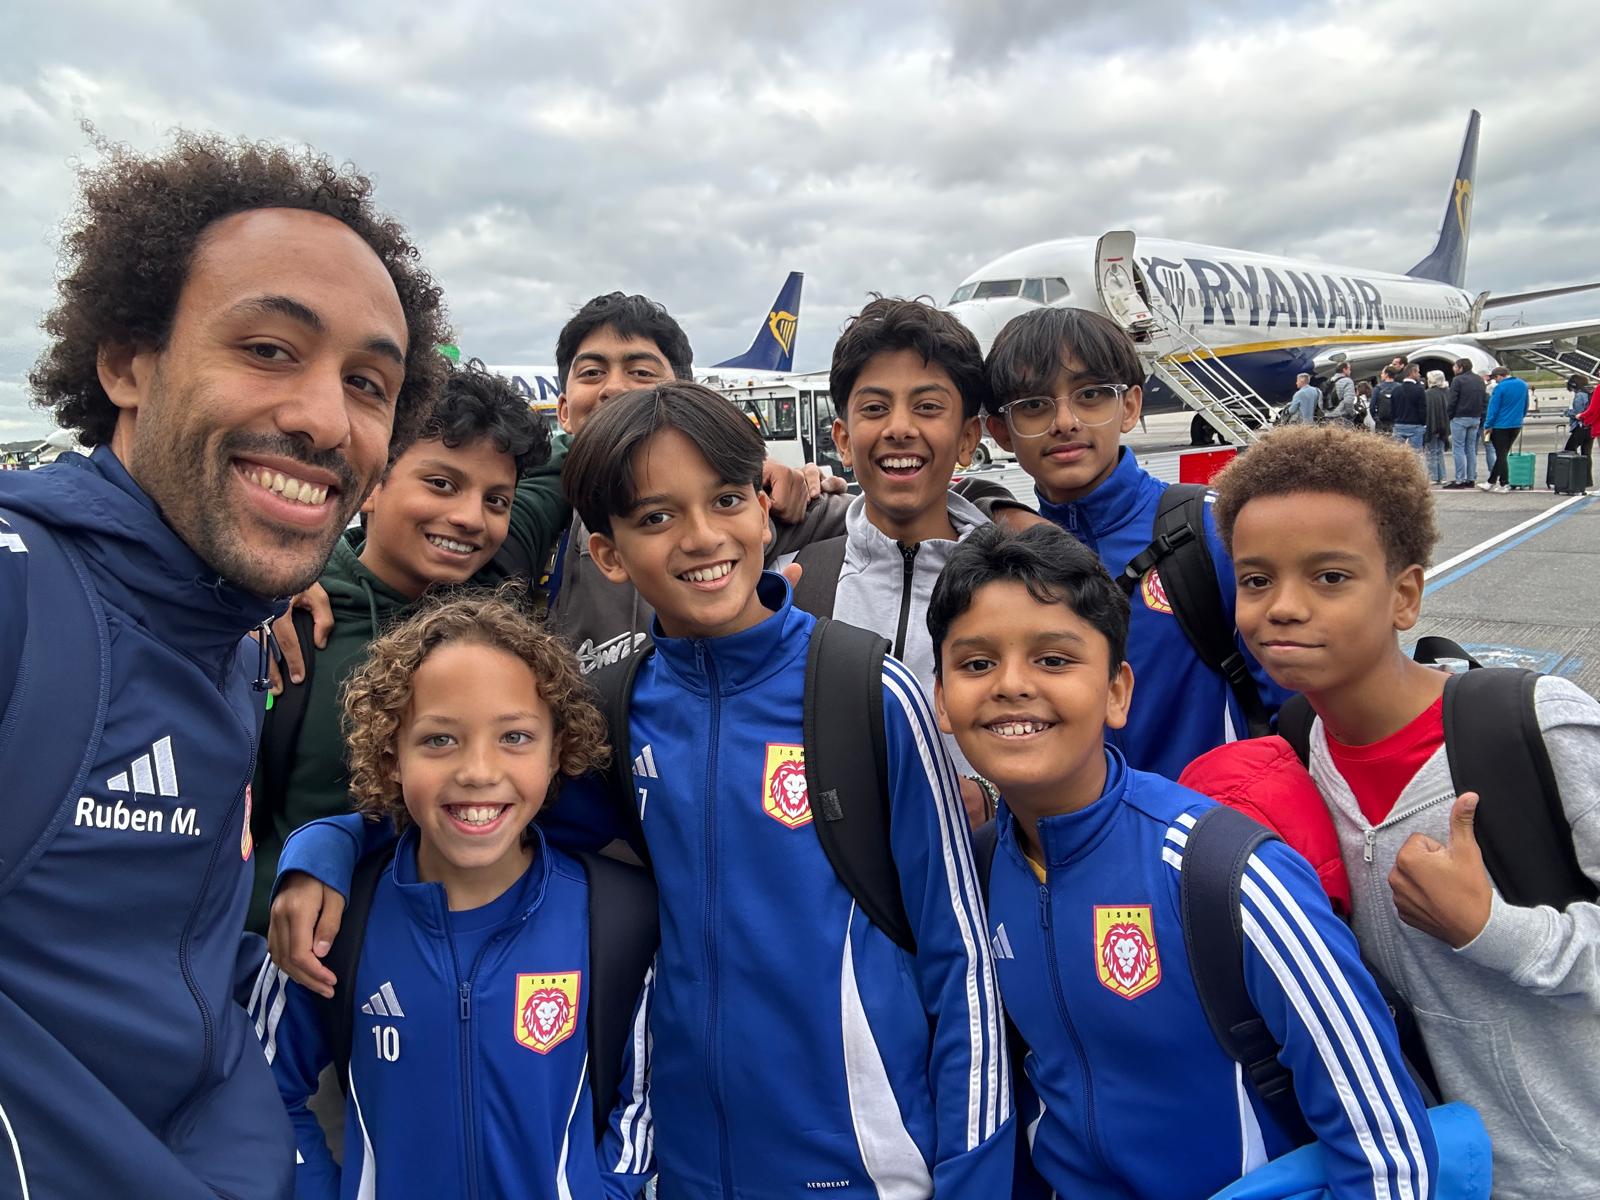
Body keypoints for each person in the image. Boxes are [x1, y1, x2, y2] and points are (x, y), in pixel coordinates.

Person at [272, 382, 1015, 1196]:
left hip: (866, 1169)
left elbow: (962, 960)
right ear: (609, 555)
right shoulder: (615, 713)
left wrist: (972, 1182)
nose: (702, 537)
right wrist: (330, 846)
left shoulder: (868, 694)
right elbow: (475, 815)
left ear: (763, 511)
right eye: (657, 516)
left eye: (725, 499)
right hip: (681, 1171)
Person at [0, 132, 449, 1198]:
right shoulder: (26, 602)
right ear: (128, 363)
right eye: (268, 350)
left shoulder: (231, 637)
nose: (325, 420)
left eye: (368, 383)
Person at [928, 524, 1437, 1199]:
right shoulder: (978, 873)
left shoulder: (1224, 872)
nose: (1012, 685)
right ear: (941, 699)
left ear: (1117, 692)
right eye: (975, 664)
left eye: (1053, 659)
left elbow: (1387, 1150)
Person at [1213, 424, 1600, 1198]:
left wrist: (1493, 929)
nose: (1282, 608)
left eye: (1329, 577)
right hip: (1429, 1173)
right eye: (1256, 580)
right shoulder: (1296, 749)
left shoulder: (1536, 728)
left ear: (1405, 595)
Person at [252, 593, 648, 1198]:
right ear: (391, 757)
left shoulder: (616, 918)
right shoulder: (333, 921)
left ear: (558, 752)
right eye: (440, 740)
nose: (478, 771)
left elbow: (647, 1103)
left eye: (515, 736)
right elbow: (260, 1090)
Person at [269, 291, 844, 689]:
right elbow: (402, 546)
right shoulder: (534, 507)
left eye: (641, 372)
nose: (614, 389)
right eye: (592, 372)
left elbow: (879, 521)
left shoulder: (747, 508)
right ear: (564, 410)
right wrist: (295, 576)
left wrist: (787, 474)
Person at [247, 364, 548, 932]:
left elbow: (573, 458)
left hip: (468, 956)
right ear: (371, 485)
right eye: (441, 484)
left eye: (497, 500)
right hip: (304, 958)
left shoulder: (500, 626)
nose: (470, 518)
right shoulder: (288, 628)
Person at [982, 306, 1289, 779]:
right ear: (1001, 432)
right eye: (1033, 405)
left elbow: (1294, 705)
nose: (1064, 421)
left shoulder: (1216, 531)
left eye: (1090, 395)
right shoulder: (1002, 558)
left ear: (1129, 407)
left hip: (1216, 819)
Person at [1480, 365, 1528, 492]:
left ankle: (1504, 483)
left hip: (1500, 425)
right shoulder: (1523, 385)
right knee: (1503, 454)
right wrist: (1520, 418)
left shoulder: (1500, 388)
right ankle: (1491, 481)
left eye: (1495, 378)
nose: (1495, 381)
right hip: (1516, 424)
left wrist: (1488, 425)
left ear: (1499, 376)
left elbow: (1493, 409)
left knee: (1501, 455)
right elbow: (1525, 405)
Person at [1445, 357, 1486, 488]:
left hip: (1460, 417)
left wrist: (1449, 414)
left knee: (1458, 448)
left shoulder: (1457, 380)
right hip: (1475, 417)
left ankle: (1460, 479)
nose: (1454, 368)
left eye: (1455, 366)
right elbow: (1483, 398)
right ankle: (1471, 478)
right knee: (1471, 449)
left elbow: (1452, 400)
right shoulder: (1479, 379)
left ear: (1461, 368)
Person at [1390, 364, 1428, 450]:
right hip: (1415, 425)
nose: (1419, 375)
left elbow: (1392, 408)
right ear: (1412, 373)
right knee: (1416, 454)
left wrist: (1395, 420)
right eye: (1417, 372)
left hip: (1399, 424)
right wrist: (1423, 423)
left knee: (1397, 453)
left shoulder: (1396, 390)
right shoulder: (1419, 389)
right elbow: (1422, 409)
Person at [1423, 369, 1451, 484]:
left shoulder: (1428, 394)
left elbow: (1427, 411)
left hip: (1432, 425)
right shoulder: (1447, 392)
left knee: (1432, 451)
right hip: (1445, 425)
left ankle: (1433, 477)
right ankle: (1443, 476)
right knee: (1440, 451)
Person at [1562, 373, 1593, 457]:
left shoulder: (1580, 395)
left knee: (1569, 450)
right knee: (1586, 453)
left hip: (1581, 427)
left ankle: (1575, 466)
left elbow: (1578, 413)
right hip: (1590, 427)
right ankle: (1586, 466)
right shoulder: (1589, 393)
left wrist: (1567, 412)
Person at [1370, 366, 1399, 436]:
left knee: (1381, 441)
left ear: (1386, 374)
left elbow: (1372, 406)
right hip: (1396, 422)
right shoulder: (1400, 387)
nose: (1381, 375)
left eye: (1382, 373)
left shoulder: (1378, 388)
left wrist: (1376, 418)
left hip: (1381, 421)